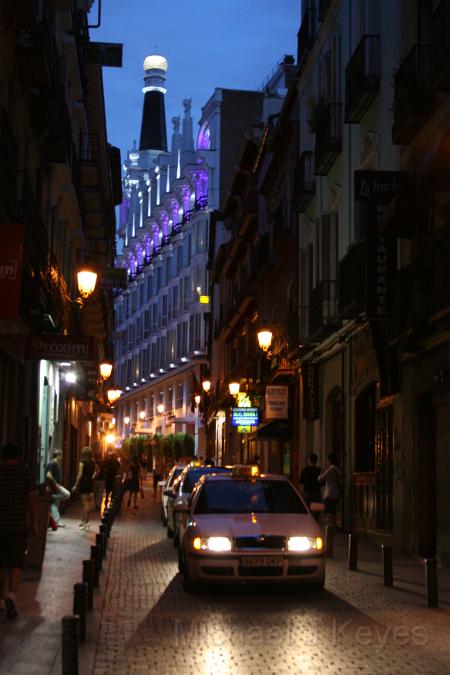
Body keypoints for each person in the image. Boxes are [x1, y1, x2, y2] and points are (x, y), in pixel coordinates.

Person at [0, 443, 37, 619]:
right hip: (18, 524)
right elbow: (31, 500)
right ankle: (12, 594)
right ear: (17, 456)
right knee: (16, 562)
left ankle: (0, 599)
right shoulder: (25, 474)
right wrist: (33, 523)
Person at [72, 447, 97, 530]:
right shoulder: (93, 462)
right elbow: (98, 470)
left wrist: (75, 485)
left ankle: (86, 523)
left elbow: (80, 474)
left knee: (85, 503)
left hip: (84, 483)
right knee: (88, 503)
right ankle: (85, 521)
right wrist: (93, 477)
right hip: (90, 482)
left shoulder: (82, 462)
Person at [45, 450, 70, 527]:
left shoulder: (55, 463)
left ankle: (56, 521)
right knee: (67, 494)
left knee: (54, 505)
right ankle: (52, 498)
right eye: (61, 455)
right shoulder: (52, 463)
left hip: (55, 486)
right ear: (58, 456)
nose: (61, 457)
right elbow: (48, 475)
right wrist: (55, 483)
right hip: (54, 486)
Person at [318, 453, 342, 524]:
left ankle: (330, 526)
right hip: (337, 494)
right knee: (334, 511)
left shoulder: (330, 469)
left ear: (329, 460)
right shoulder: (338, 470)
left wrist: (321, 473)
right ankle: (334, 525)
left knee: (329, 512)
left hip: (329, 494)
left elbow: (320, 479)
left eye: (327, 460)